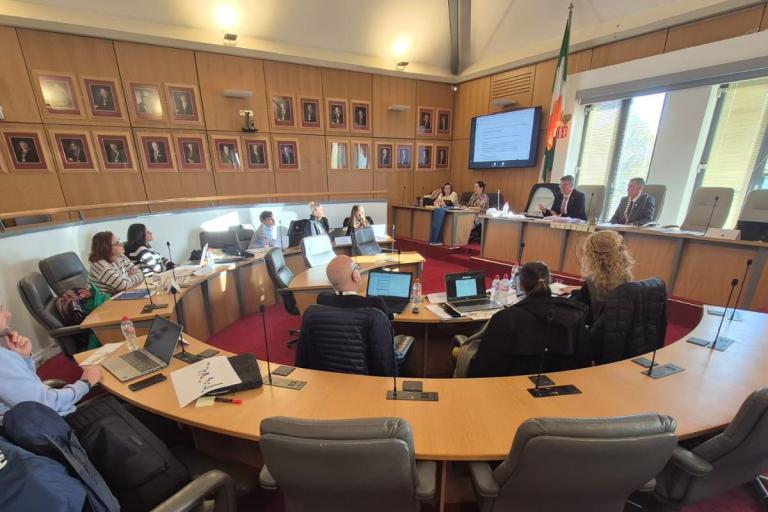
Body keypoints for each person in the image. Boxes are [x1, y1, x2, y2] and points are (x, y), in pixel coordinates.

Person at [467, 262, 590, 377]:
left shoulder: (505, 318)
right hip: (562, 387)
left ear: (520, 285)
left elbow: (482, 367)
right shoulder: (574, 315)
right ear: (549, 282)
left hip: (510, 388)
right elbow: (585, 362)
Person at [0, 302, 102, 425]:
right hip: (58, 428)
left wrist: (24, 358)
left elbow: (29, 388)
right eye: (0, 310)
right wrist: (85, 383)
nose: (8, 314)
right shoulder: (3, 360)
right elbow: (47, 404)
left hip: (39, 425)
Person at [570, 230, 634, 326]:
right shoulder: (626, 279)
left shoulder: (592, 284)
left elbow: (576, 313)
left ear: (592, 256)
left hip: (594, 335)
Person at [88, 231, 144, 295]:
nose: (122, 244)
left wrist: (124, 279)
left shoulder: (120, 256)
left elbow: (141, 274)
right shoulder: (99, 264)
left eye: (119, 241)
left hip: (119, 295)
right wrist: (126, 275)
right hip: (104, 302)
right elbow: (123, 285)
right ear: (106, 247)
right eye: (117, 243)